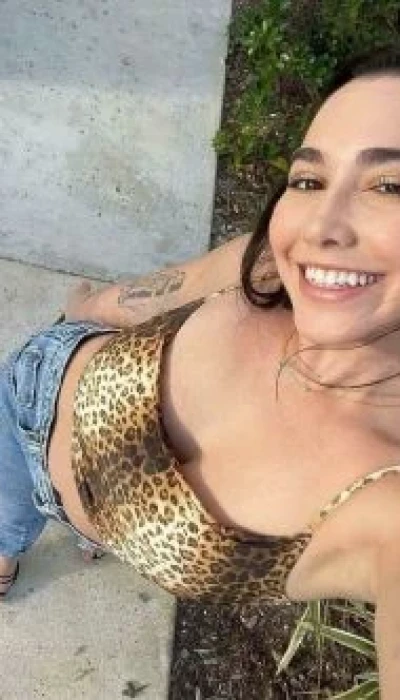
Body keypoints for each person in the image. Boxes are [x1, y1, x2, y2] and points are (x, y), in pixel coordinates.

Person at [2, 47, 400, 697]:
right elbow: (166, 288)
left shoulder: (386, 505)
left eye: (389, 186)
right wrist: (84, 312)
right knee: (4, 509)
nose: (322, 226)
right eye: (308, 180)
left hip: (94, 512)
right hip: (37, 375)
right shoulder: (271, 267)